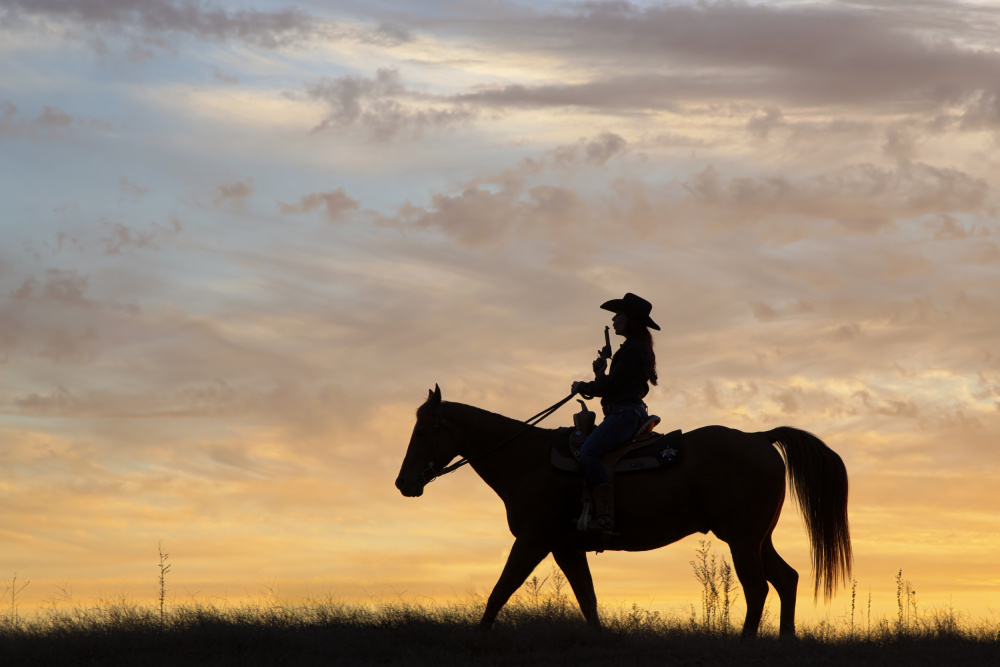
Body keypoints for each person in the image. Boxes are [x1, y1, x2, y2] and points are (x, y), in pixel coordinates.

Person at [571, 293, 659, 533]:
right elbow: (616, 385)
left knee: (588, 451)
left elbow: (612, 388)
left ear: (630, 319)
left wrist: (583, 386)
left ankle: (604, 518)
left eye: (618, 314)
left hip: (624, 414)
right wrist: (600, 373)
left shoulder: (632, 350)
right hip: (626, 412)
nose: (614, 319)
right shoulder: (635, 349)